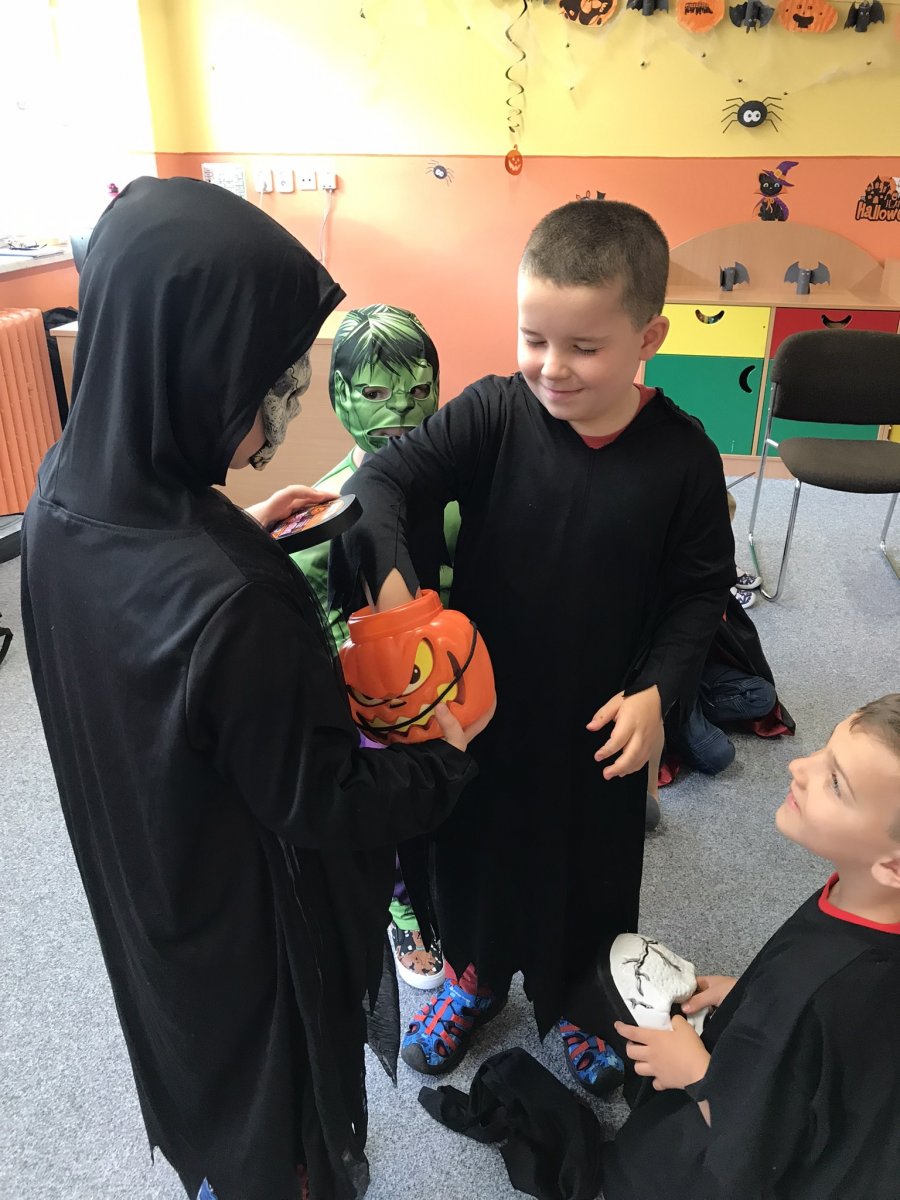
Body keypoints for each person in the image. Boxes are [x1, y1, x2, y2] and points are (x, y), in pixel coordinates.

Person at [19, 176, 492, 1200]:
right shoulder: (235, 604)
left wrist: (233, 532)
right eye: (265, 391)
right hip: (251, 924)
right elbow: (323, 798)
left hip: (147, 873)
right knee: (277, 1115)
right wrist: (441, 764)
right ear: (189, 372)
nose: (274, 420)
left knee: (194, 1064)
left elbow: (140, 640)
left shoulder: (56, 492)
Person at [330, 199, 736, 1095]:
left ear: (649, 337)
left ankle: (581, 1001)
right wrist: (394, 584)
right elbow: (386, 478)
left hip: (603, 719)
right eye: (533, 338)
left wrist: (659, 693)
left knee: (589, 876)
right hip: (481, 710)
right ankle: (472, 977)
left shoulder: (683, 460)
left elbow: (701, 592)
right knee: (472, 856)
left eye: (584, 347)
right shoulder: (495, 413)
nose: (553, 367)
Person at [419, 695, 900, 1200]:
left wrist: (698, 1077)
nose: (799, 766)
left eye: (836, 782)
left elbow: (768, 1151)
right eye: (823, 752)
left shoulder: (835, 986)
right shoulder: (863, 901)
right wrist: (749, 991)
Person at [292, 303, 459, 989]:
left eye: (418, 391)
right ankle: (404, 911)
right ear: (339, 396)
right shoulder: (323, 511)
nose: (401, 411)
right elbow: (311, 625)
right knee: (391, 815)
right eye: (374, 392)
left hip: (461, 682)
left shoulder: (461, 493)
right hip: (375, 705)